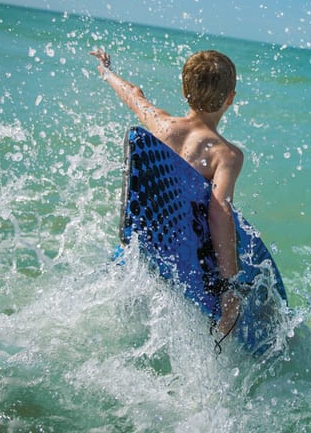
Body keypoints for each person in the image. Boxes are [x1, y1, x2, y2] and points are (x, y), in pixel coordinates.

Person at [90, 48, 244, 338]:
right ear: (230, 99)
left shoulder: (163, 125)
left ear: (184, 90)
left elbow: (134, 96)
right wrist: (229, 286)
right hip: (179, 267)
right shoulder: (226, 155)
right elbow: (218, 212)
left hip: (134, 255)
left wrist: (106, 72)